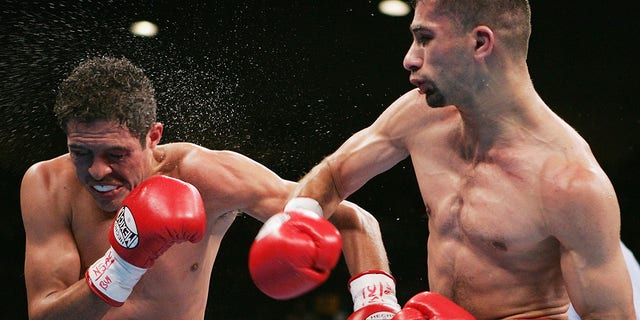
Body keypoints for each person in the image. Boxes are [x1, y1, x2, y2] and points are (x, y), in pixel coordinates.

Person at [288, 0, 638, 319]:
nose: (410, 58)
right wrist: (299, 219)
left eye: (425, 38)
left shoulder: (569, 183)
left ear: (480, 43)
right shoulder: (419, 116)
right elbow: (333, 174)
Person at [20, 56, 398, 320]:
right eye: (80, 152)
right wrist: (120, 265)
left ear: (153, 137)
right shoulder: (48, 185)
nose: (97, 171)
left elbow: (352, 218)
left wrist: (377, 305)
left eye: (116, 154)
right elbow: (44, 314)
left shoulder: (203, 175)